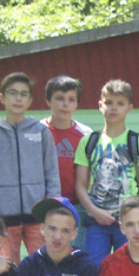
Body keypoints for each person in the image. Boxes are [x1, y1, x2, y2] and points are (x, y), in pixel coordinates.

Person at [0, 72, 60, 262]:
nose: (18, 98)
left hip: (37, 216)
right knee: (7, 268)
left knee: (42, 265)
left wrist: (51, 210)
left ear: (30, 100)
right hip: (4, 219)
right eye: (13, 93)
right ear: (2, 98)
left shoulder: (41, 131)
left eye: (23, 94)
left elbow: (52, 174)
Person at [74, 79, 139, 266]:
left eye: (120, 103)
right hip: (96, 221)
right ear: (100, 106)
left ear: (129, 108)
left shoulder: (137, 142)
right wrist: (94, 211)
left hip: (126, 222)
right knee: (94, 269)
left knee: (128, 267)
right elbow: (80, 185)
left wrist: (134, 215)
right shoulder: (88, 142)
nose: (113, 108)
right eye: (108, 102)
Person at [42, 75, 92, 206]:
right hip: (45, 204)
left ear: (77, 104)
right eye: (60, 99)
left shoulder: (86, 135)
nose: (65, 104)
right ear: (48, 101)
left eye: (71, 100)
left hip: (78, 205)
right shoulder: (37, 132)